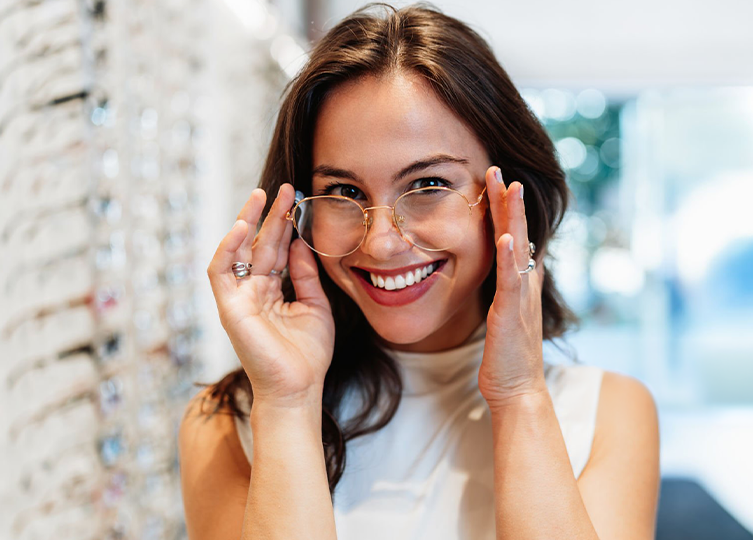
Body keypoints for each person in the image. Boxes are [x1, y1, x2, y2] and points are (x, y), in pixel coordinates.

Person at [177, 3, 659, 539]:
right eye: (344, 192)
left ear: (509, 197)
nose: (381, 243)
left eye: (428, 185)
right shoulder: (229, 423)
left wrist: (519, 394)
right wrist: (288, 404)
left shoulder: (609, 415)